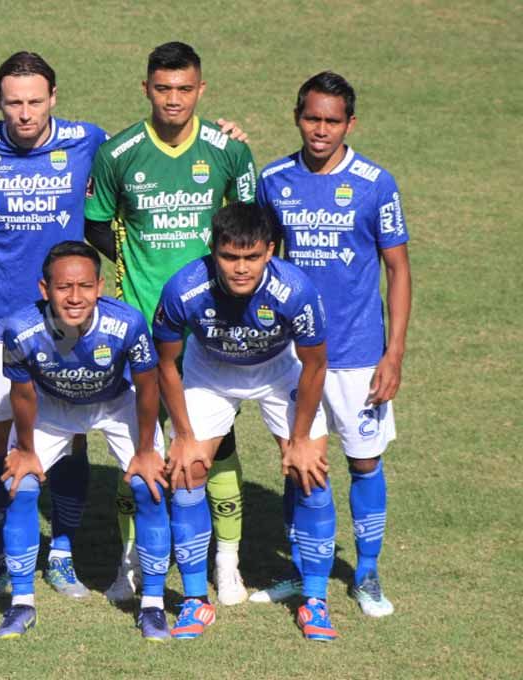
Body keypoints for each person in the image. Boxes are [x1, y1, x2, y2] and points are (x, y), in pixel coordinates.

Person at [0, 51, 251, 602]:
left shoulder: (90, 141)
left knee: (73, 434)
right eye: (13, 103)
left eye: (35, 101)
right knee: (0, 446)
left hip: (82, 321)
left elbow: (156, 150)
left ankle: (63, 550)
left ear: (54, 99)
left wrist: (224, 133)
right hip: (2, 321)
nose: (24, 113)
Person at [84, 41, 257, 605]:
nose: (174, 99)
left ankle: (226, 565)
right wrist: (134, 272)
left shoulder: (229, 151)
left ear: (201, 90)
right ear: (146, 89)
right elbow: (97, 227)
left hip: (210, 330)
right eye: (163, 88)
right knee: (143, 445)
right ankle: (132, 563)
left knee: (217, 443)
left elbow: (253, 226)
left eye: (185, 89)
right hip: (139, 322)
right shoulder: (118, 153)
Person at [252, 71, 410, 617]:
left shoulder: (375, 182)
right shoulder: (272, 179)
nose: (321, 130)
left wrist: (393, 354)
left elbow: (398, 269)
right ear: (297, 116)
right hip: (293, 358)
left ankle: (366, 574)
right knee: (302, 465)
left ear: (350, 123)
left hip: (359, 357)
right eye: (312, 118)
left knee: (364, 464)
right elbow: (256, 256)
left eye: (332, 121)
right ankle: (302, 572)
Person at [152, 202, 337, 642]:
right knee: (187, 469)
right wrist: (182, 435)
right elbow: (165, 365)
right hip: (210, 373)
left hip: (278, 371)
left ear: (269, 251)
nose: (240, 268)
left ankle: (315, 600)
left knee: (310, 471)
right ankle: (196, 601)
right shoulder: (184, 289)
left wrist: (300, 439)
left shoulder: (296, 291)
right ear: (212, 250)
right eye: (229, 257)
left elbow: (315, 366)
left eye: (251, 257)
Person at [0, 241, 171, 641]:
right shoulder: (20, 329)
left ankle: (153, 607)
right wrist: (25, 451)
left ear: (100, 286)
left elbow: (147, 388)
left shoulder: (127, 324)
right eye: (63, 288)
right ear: (45, 289)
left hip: (114, 405)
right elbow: (21, 395)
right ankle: (21, 604)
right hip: (52, 408)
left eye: (85, 286)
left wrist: (145, 452)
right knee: (19, 487)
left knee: (150, 486)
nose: (75, 297)